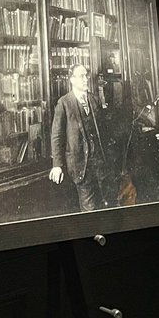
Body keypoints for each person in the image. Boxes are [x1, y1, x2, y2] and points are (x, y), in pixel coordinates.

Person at [49, 64, 109, 211]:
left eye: (86, 75)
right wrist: (57, 165)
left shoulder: (94, 99)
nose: (85, 79)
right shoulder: (64, 103)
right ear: (72, 80)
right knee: (90, 208)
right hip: (81, 165)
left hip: (99, 165)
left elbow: (103, 131)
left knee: (105, 203)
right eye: (81, 76)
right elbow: (56, 136)